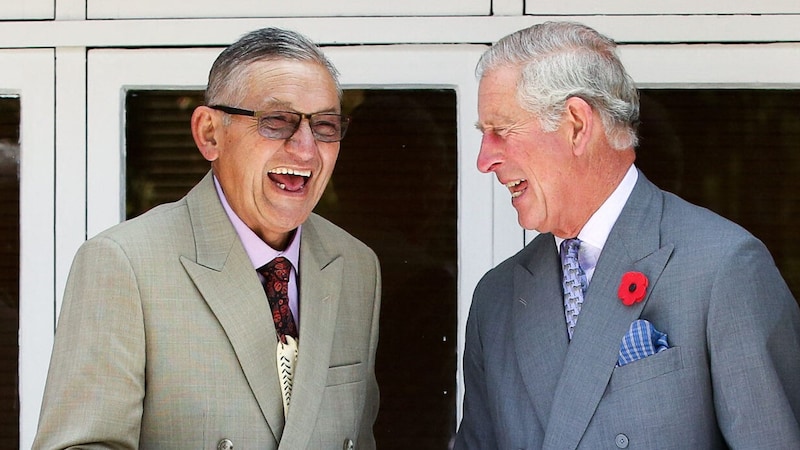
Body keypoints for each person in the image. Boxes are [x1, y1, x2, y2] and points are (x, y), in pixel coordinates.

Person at [455, 21, 800, 449]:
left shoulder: (723, 267)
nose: (484, 160)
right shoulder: (498, 296)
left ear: (577, 124)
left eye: (501, 131)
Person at [33, 27, 380, 449]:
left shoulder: (357, 267)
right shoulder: (124, 264)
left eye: (325, 126)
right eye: (277, 122)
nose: (306, 150)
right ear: (210, 133)